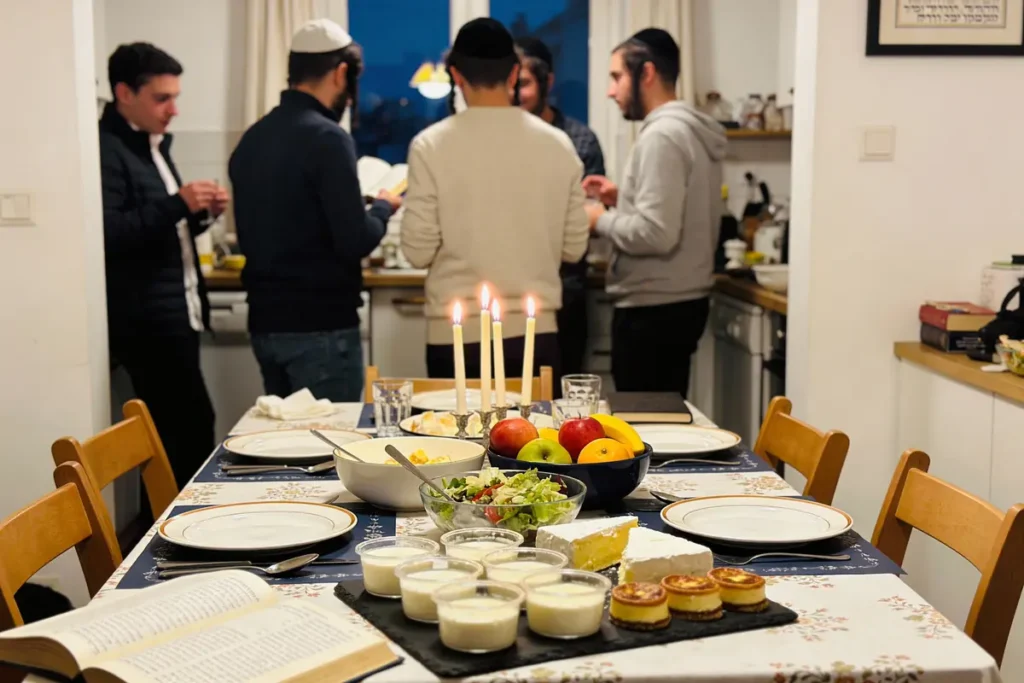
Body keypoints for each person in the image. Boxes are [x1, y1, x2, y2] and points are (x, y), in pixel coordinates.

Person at [401, 18, 588, 383]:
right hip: (536, 331)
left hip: (454, 333)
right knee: (532, 439)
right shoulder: (557, 144)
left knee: (453, 438)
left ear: (456, 75)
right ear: (515, 72)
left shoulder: (430, 145)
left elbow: (417, 251)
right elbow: (575, 247)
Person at [230, 19, 400, 402]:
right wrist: (384, 209)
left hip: (264, 326)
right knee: (327, 449)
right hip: (321, 327)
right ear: (341, 73)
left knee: (285, 446)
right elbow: (354, 239)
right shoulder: (328, 138)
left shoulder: (253, 138)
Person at [100, 42, 228, 487]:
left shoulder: (150, 144)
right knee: (184, 433)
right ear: (124, 93)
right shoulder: (108, 149)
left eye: (175, 96)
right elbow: (109, 234)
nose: (173, 109)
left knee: (191, 427)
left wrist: (201, 213)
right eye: (162, 98)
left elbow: (160, 234)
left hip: (178, 312)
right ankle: (182, 535)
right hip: (148, 323)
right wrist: (178, 203)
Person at [583, 29, 727, 399]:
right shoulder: (690, 130)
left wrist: (598, 218)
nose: (610, 91)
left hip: (653, 311)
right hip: (677, 304)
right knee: (667, 425)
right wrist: (622, 198)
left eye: (616, 77)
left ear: (646, 73)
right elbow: (675, 208)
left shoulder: (662, 136)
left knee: (650, 433)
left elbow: (657, 233)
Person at [515, 36, 605, 385]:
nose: (515, 95)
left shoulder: (578, 140)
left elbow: (588, 216)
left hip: (565, 293)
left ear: (547, 82)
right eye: (512, 84)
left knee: (561, 402)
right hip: (513, 293)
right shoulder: (505, 140)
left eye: (524, 84)